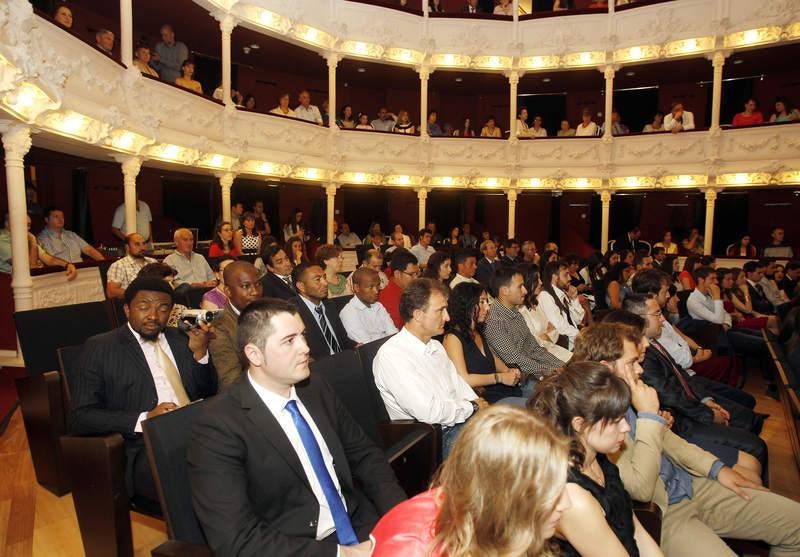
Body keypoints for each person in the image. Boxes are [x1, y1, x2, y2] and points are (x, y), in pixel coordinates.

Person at [189, 298, 406, 556]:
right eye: (289, 341)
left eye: (302, 336)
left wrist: (400, 519)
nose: (305, 348)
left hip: (358, 521)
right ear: (254, 354)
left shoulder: (316, 388)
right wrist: (343, 554)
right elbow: (236, 539)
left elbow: (366, 456)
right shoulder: (218, 426)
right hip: (293, 546)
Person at [570, 322, 800, 557]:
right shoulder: (592, 422)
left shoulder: (627, 394)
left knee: (796, 524)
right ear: (606, 367)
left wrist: (717, 468)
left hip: (689, 484)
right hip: (665, 513)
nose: (640, 370)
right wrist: (649, 415)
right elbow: (641, 489)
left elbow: (670, 441)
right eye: (632, 363)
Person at [70, 277, 217, 505]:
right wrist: (145, 418)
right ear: (127, 309)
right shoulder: (100, 347)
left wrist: (200, 354)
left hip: (195, 429)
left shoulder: (181, 338)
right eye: (144, 307)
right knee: (202, 479)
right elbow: (81, 416)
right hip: (143, 446)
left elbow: (207, 391)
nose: (153, 315)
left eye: (162, 308)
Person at [370, 406, 571, 556]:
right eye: (549, 492)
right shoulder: (413, 549)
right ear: (504, 493)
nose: (566, 504)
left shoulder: (491, 515)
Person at [624, 295, 769, 477]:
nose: (663, 319)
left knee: (748, 423)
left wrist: (707, 401)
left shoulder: (653, 344)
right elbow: (670, 395)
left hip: (690, 408)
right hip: (681, 424)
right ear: (639, 318)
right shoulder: (641, 356)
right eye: (658, 314)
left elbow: (682, 375)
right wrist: (708, 414)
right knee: (756, 445)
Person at [530, 361, 664, 557]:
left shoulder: (598, 459)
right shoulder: (572, 497)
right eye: (615, 421)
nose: (626, 428)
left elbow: (637, 534)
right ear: (580, 424)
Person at [373, 279, 486, 457]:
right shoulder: (393, 355)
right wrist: (472, 407)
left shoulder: (435, 346)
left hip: (459, 421)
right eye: (440, 310)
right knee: (502, 448)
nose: (447, 317)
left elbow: (458, 386)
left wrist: (480, 406)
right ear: (418, 314)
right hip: (433, 439)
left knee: (513, 429)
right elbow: (429, 412)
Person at [443, 283, 524, 403]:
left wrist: (512, 372)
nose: (487, 308)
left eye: (487, 302)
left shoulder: (478, 333)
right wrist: (500, 378)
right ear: (466, 304)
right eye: (481, 302)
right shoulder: (452, 338)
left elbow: (500, 366)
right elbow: (464, 379)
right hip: (485, 400)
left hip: (503, 392)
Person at [484, 266, 564, 385]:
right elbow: (515, 360)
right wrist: (551, 371)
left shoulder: (515, 312)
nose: (525, 291)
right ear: (504, 291)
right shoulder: (494, 321)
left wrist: (561, 366)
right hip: (521, 380)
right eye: (520, 286)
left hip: (535, 371)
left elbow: (534, 349)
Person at [207, 261, 262, 386]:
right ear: (228, 292)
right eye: (245, 286)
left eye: (258, 284)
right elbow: (231, 380)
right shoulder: (218, 325)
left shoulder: (271, 312)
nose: (255, 292)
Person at [290, 263, 356, 360]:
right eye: (318, 280)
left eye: (324, 278)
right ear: (301, 286)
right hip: (318, 368)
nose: (325, 283)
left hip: (342, 360)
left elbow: (343, 339)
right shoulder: (292, 313)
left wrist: (357, 346)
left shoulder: (329, 305)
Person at [519, 265, 573, 363]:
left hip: (553, 348)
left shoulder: (536, 304)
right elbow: (533, 344)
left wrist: (546, 337)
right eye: (537, 279)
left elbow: (554, 330)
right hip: (542, 358)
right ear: (528, 282)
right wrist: (545, 336)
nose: (541, 282)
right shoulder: (521, 311)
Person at [340, 268, 398, 344]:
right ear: (357, 288)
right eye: (371, 287)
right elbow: (367, 344)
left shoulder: (378, 306)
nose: (376, 291)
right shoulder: (349, 312)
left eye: (377, 286)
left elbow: (393, 333)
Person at [538, 260, 585, 349]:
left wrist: (574, 299)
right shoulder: (546, 296)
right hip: (565, 346)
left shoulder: (562, 293)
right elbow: (560, 327)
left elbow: (578, 320)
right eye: (565, 275)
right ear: (555, 277)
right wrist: (582, 337)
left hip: (574, 341)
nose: (570, 278)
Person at [37, 206, 104, 263]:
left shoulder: (71, 235)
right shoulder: (42, 239)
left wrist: (103, 263)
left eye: (62, 217)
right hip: (60, 273)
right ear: (46, 220)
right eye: (56, 216)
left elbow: (89, 250)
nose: (60, 219)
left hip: (80, 270)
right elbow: (50, 260)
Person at [105, 233, 157, 298]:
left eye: (144, 243)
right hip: (133, 303)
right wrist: (140, 294)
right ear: (127, 247)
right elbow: (111, 292)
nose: (142, 247)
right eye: (137, 244)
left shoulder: (153, 262)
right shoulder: (119, 265)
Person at [378, 249, 419, 329]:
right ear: (397, 274)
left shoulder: (407, 289)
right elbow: (396, 332)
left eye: (416, 273)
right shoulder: (388, 298)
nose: (415, 278)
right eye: (411, 274)